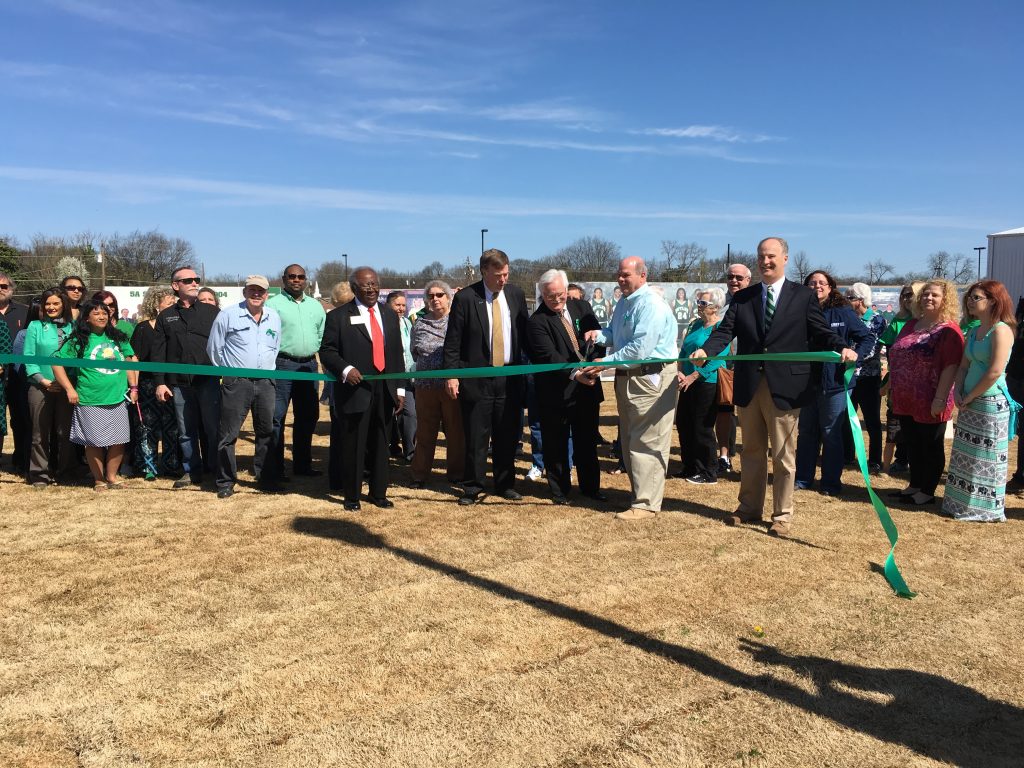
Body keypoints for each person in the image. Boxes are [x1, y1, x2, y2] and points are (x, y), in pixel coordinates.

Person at [693, 237, 858, 537]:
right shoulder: (744, 298)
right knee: (752, 450)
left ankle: (782, 516)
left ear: (784, 259)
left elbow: (820, 332)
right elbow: (726, 330)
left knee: (783, 455)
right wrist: (707, 350)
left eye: (770, 256)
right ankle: (748, 508)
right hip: (749, 384)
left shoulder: (802, 296)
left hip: (786, 386)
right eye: (760, 257)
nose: (765, 261)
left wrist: (842, 348)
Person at [582, 256, 679, 520]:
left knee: (648, 441)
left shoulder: (651, 305)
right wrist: (598, 335)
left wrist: (605, 362)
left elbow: (640, 350)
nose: (621, 279)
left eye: (626, 275)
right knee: (630, 441)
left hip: (650, 378)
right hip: (629, 377)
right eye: (619, 274)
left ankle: (646, 505)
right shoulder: (625, 302)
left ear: (642, 276)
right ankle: (639, 496)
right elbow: (616, 335)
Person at [442, 249, 529, 506]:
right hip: (476, 379)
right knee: (476, 435)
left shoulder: (515, 295)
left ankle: (505, 484)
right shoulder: (467, 298)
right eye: (499, 275)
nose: (504, 279)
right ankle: (473, 486)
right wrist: (452, 375)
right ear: (484, 272)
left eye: (507, 274)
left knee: (507, 434)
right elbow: (453, 341)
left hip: (509, 378)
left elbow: (524, 334)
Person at [319, 267, 406, 510]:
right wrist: (345, 370)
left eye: (374, 284)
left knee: (381, 443)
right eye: (365, 285)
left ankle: (379, 494)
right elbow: (327, 351)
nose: (371, 289)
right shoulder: (338, 316)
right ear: (354, 288)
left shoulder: (389, 315)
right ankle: (352, 497)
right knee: (354, 445)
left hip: (385, 390)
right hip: (354, 391)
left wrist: (400, 389)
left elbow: (397, 353)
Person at [527, 269, 606, 504]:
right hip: (557, 391)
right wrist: (575, 373)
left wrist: (599, 360)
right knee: (556, 442)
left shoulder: (582, 307)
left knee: (587, 441)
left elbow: (599, 337)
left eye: (560, 294)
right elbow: (548, 356)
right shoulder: (537, 321)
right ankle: (560, 490)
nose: (556, 300)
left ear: (566, 289)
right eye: (550, 296)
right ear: (542, 294)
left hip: (588, 387)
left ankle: (591, 488)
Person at [793, 271, 873, 498]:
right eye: (811, 283)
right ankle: (803, 478)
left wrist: (857, 354)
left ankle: (830, 483)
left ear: (830, 287)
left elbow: (866, 337)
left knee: (831, 433)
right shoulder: (799, 311)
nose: (816, 286)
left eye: (821, 283)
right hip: (807, 382)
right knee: (806, 432)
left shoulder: (843, 311)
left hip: (836, 383)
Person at [887, 279, 964, 507]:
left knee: (930, 445)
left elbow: (951, 366)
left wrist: (940, 398)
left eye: (935, 295)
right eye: (925, 294)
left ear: (945, 300)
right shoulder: (912, 324)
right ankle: (915, 484)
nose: (928, 298)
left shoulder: (949, 330)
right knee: (912, 443)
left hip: (932, 398)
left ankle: (928, 491)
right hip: (905, 398)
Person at [943, 280, 1015, 522]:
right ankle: (959, 504)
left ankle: (984, 510)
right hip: (969, 401)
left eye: (976, 297)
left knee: (986, 458)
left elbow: (995, 371)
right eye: (970, 297)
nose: (970, 302)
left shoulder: (1001, 330)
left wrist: (971, 395)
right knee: (967, 457)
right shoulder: (974, 331)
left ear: (993, 300)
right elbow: (964, 365)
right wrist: (959, 391)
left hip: (990, 403)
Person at [51, 299, 139, 491]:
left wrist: (134, 388)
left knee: (119, 440)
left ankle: (112, 477)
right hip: (90, 399)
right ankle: (99, 479)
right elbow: (56, 363)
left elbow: (130, 362)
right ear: (87, 318)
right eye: (96, 313)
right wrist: (69, 389)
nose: (102, 316)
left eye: (105, 313)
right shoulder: (77, 340)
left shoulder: (119, 337)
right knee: (94, 442)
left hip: (117, 398)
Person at [207, 276, 282, 499]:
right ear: (245, 292)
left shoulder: (274, 317)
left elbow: (275, 347)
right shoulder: (227, 315)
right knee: (228, 434)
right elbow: (214, 349)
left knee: (266, 432)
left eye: (261, 291)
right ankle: (225, 481)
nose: (256, 294)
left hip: (266, 382)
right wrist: (229, 374)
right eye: (252, 290)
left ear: (267, 294)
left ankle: (266, 478)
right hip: (237, 382)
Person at [151, 265, 222, 489]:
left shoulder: (212, 312)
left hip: (208, 380)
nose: (194, 283)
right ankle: (191, 471)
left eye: (196, 279)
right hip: (179, 383)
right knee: (185, 430)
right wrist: (160, 382)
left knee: (213, 428)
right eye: (188, 280)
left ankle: (218, 469)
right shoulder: (166, 316)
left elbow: (225, 345)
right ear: (175, 286)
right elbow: (158, 352)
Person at [265, 264, 326, 482]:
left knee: (308, 416)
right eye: (292, 276)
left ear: (305, 279)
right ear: (284, 279)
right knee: (277, 417)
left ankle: (302, 464)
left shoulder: (316, 306)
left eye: (300, 276)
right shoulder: (272, 305)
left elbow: (321, 333)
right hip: (282, 364)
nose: (297, 280)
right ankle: (276, 467)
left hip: (309, 365)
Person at [409, 280, 465, 488]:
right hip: (425, 387)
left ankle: (457, 474)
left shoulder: (457, 322)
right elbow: (415, 352)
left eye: (440, 295)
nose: (435, 299)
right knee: (424, 432)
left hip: (451, 387)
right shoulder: (419, 324)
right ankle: (419, 475)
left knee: (455, 432)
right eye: (431, 296)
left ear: (449, 297)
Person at [23, 288, 76, 487]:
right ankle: (39, 474)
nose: (51, 307)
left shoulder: (74, 327)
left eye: (55, 303)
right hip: (40, 387)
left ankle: (66, 471)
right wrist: (42, 380)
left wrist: (67, 383)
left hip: (67, 387)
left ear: (64, 304)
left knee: (65, 433)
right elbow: (28, 357)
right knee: (40, 433)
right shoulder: (35, 326)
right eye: (47, 304)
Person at [675, 288, 726, 485]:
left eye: (703, 303)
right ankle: (690, 466)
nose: (699, 305)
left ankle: (708, 471)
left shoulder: (720, 328)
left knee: (702, 427)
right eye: (699, 301)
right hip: (687, 380)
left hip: (707, 382)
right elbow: (684, 349)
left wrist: (695, 376)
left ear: (715, 308)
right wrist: (680, 371)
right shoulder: (695, 324)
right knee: (684, 423)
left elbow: (718, 358)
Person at [129, 287, 181, 480]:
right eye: (168, 303)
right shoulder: (142, 328)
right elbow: (134, 358)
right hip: (148, 385)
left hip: (173, 384)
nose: (172, 306)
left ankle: (171, 464)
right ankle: (147, 466)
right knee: (146, 427)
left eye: (173, 303)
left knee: (171, 427)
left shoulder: (176, 327)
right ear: (155, 305)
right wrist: (133, 387)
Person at [845, 282, 888, 472]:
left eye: (850, 298)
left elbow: (872, 348)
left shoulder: (877, 320)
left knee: (871, 420)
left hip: (869, 377)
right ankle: (847, 455)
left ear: (860, 300)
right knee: (847, 417)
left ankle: (875, 460)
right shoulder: (848, 317)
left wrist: (853, 357)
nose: (847, 301)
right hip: (848, 375)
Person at [880, 283, 921, 474]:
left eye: (911, 295)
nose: (907, 298)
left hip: (919, 381)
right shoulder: (897, 321)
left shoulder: (924, 321)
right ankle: (900, 461)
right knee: (897, 422)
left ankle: (910, 461)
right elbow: (889, 351)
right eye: (904, 295)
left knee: (914, 425)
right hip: (898, 379)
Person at [715, 263, 752, 473]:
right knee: (724, 411)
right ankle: (724, 456)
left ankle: (750, 457)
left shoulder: (756, 301)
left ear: (748, 280)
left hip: (749, 366)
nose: (734, 281)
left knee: (749, 414)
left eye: (739, 277)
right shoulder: (721, 303)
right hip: (725, 366)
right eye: (730, 277)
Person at [0, 272, 29, 471]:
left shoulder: (25, 312)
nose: (0, 290)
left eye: (4, 286)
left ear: (11, 288)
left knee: (20, 419)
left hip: (18, 375)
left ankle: (21, 459)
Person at [386, 290, 417, 464]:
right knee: (389, 414)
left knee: (410, 414)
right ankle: (390, 446)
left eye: (404, 305)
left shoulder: (407, 323)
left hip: (408, 376)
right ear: (388, 305)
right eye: (397, 305)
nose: (401, 308)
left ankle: (410, 452)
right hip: (389, 378)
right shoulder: (383, 324)